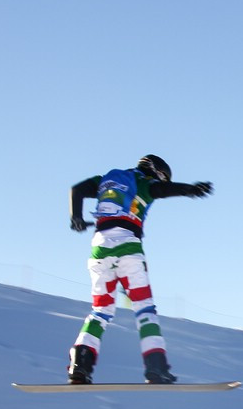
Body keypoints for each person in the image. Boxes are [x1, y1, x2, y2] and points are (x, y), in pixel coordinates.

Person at [66, 154, 212, 384]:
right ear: (155, 171)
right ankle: (156, 367)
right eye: (162, 179)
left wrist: (76, 217)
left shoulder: (106, 180)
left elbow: (77, 189)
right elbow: (162, 191)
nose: (162, 183)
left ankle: (80, 365)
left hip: (99, 249)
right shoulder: (144, 182)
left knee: (100, 310)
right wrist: (190, 190)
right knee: (144, 309)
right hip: (128, 247)